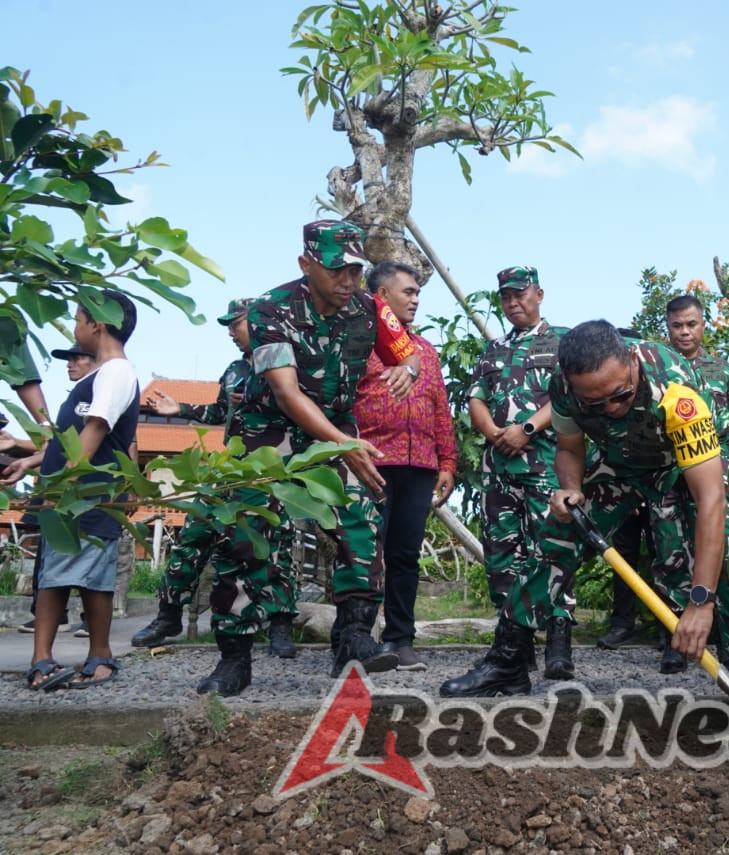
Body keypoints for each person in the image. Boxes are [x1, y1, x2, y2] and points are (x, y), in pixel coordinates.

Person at [442, 320, 729, 700]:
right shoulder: (565, 388)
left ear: (632, 360)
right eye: (595, 403)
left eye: (620, 396)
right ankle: (508, 661)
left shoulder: (678, 394)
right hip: (620, 463)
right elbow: (569, 447)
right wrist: (570, 490)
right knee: (558, 535)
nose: (611, 409)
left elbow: (711, 501)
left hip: (683, 467)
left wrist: (701, 603)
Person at [195, 220, 421, 696]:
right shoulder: (270, 311)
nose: (348, 282)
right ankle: (234, 657)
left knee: (361, 521)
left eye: (355, 271)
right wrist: (343, 444)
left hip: (336, 429)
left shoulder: (369, 308)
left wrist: (406, 366)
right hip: (268, 432)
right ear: (306, 264)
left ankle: (354, 639)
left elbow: (410, 352)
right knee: (244, 535)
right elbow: (286, 393)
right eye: (337, 271)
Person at [130, 298, 304, 657]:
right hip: (228, 472)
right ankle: (168, 615)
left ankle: (280, 627)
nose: (230, 332)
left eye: (235, 323)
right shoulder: (234, 370)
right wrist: (182, 410)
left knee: (276, 550)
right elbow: (220, 412)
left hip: (272, 473)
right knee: (193, 535)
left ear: (258, 323)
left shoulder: (289, 368)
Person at [4, 290, 140, 690]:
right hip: (74, 494)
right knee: (58, 575)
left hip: (86, 494)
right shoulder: (100, 375)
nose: (76, 328)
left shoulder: (116, 372)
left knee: (84, 579)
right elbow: (70, 436)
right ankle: (48, 658)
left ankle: (89, 657)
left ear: (96, 324)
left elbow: (95, 430)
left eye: (79, 319)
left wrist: (63, 482)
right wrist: (31, 463)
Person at [643, 293, 729, 673]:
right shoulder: (656, 369)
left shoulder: (722, 369)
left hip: (715, 471)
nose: (684, 332)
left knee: (725, 552)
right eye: (676, 326)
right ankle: (677, 640)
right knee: (671, 552)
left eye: (691, 324)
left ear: (703, 324)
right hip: (667, 474)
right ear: (668, 328)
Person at [466, 266, 572, 678]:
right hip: (499, 468)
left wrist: (526, 428)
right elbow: (477, 397)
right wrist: (495, 433)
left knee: (552, 547)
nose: (513, 303)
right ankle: (514, 647)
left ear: (539, 294)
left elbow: (569, 396)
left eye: (520, 295)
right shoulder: (493, 351)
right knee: (502, 553)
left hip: (546, 463)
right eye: (506, 297)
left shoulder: (562, 342)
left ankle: (559, 641)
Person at [355, 261, 457, 671]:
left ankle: (400, 638)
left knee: (404, 555)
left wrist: (447, 461)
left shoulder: (425, 352)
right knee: (363, 553)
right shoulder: (358, 345)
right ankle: (357, 638)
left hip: (419, 466)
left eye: (418, 293)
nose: (416, 299)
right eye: (408, 292)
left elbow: (440, 410)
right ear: (381, 297)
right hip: (371, 463)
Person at [8, 343, 98, 635]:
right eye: (68, 358)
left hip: (84, 490)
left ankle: (91, 619)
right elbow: (55, 445)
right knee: (48, 552)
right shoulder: (70, 400)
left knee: (89, 553)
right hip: (55, 488)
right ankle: (51, 614)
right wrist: (26, 456)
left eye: (77, 358)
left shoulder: (104, 393)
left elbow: (122, 443)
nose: (70, 363)